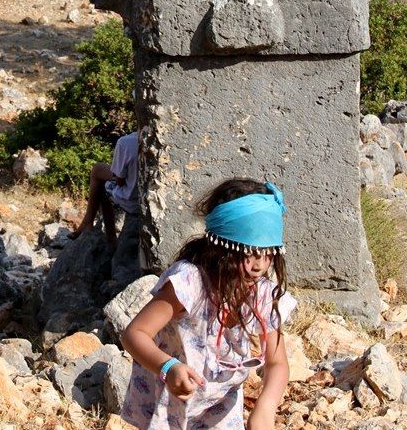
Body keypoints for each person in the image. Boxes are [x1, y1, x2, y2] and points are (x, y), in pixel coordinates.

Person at [120, 178, 296, 429]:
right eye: (247, 253)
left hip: (220, 410)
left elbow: (277, 363)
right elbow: (134, 334)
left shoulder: (263, 295)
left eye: (268, 254)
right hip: (170, 406)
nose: (259, 266)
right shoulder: (189, 283)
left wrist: (265, 407)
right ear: (222, 247)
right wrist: (168, 367)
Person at [69, 131, 139, 244]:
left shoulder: (126, 142)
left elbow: (120, 181)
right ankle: (89, 222)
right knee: (99, 170)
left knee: (101, 180)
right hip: (145, 199)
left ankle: (108, 235)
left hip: (132, 202)